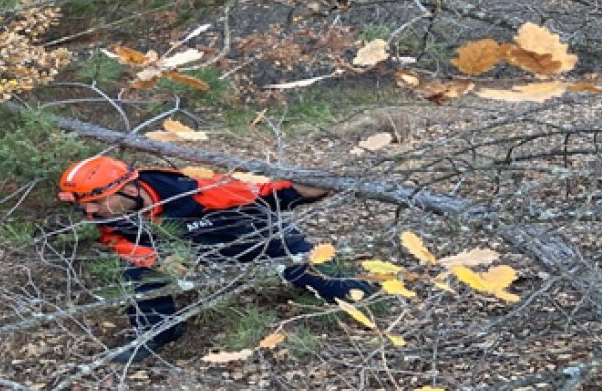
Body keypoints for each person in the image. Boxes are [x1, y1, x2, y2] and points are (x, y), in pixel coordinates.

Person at [58, 155, 374, 363]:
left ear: (127, 188)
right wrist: (155, 258)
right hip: (191, 253)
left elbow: (266, 192)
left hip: (250, 236)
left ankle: (359, 294)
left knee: (302, 268)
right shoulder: (108, 212)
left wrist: (317, 186)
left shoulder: (193, 189)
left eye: (97, 202)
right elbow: (118, 241)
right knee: (139, 273)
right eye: (85, 206)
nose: (91, 213)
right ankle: (157, 331)